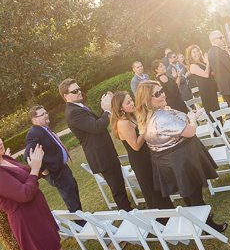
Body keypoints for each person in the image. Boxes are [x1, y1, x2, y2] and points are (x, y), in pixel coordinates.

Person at [135, 81, 227, 232]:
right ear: (147, 100)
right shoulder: (161, 117)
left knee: (188, 193)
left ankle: (200, 218)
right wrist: (192, 118)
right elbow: (190, 132)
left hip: (170, 162)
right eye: (157, 94)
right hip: (182, 160)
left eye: (162, 90)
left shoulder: (147, 118)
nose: (162, 94)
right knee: (195, 194)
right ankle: (210, 227)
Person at [61, 78, 132, 211]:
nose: (79, 92)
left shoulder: (78, 107)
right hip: (101, 156)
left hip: (105, 153)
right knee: (118, 189)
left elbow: (96, 123)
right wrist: (107, 111)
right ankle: (130, 216)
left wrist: (103, 109)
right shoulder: (73, 112)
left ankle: (130, 212)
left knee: (119, 186)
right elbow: (96, 127)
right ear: (66, 96)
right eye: (74, 91)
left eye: (79, 89)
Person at [0, 139, 67, 250]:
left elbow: (28, 178)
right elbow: (24, 194)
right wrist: (35, 169)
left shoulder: (5, 158)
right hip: (28, 219)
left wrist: (34, 167)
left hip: (37, 213)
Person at [111, 91, 175, 210]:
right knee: (153, 191)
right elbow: (135, 145)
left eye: (131, 100)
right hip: (140, 160)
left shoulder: (131, 116)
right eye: (128, 102)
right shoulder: (123, 123)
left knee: (159, 188)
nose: (132, 103)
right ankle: (163, 219)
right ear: (120, 107)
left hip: (148, 155)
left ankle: (168, 212)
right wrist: (145, 129)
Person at [24, 106, 83, 213]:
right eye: (42, 114)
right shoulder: (34, 133)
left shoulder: (45, 129)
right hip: (56, 172)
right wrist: (44, 172)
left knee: (74, 193)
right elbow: (27, 155)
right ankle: (82, 225)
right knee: (71, 200)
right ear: (34, 120)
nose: (46, 115)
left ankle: (83, 219)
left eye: (46, 112)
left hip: (63, 168)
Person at [186, 44, 220, 120]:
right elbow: (205, 75)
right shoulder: (193, 66)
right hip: (206, 91)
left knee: (217, 109)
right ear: (190, 55)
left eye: (197, 51)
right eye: (194, 52)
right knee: (212, 111)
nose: (196, 53)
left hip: (212, 88)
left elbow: (211, 73)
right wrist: (208, 63)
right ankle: (217, 131)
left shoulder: (202, 62)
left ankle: (221, 129)